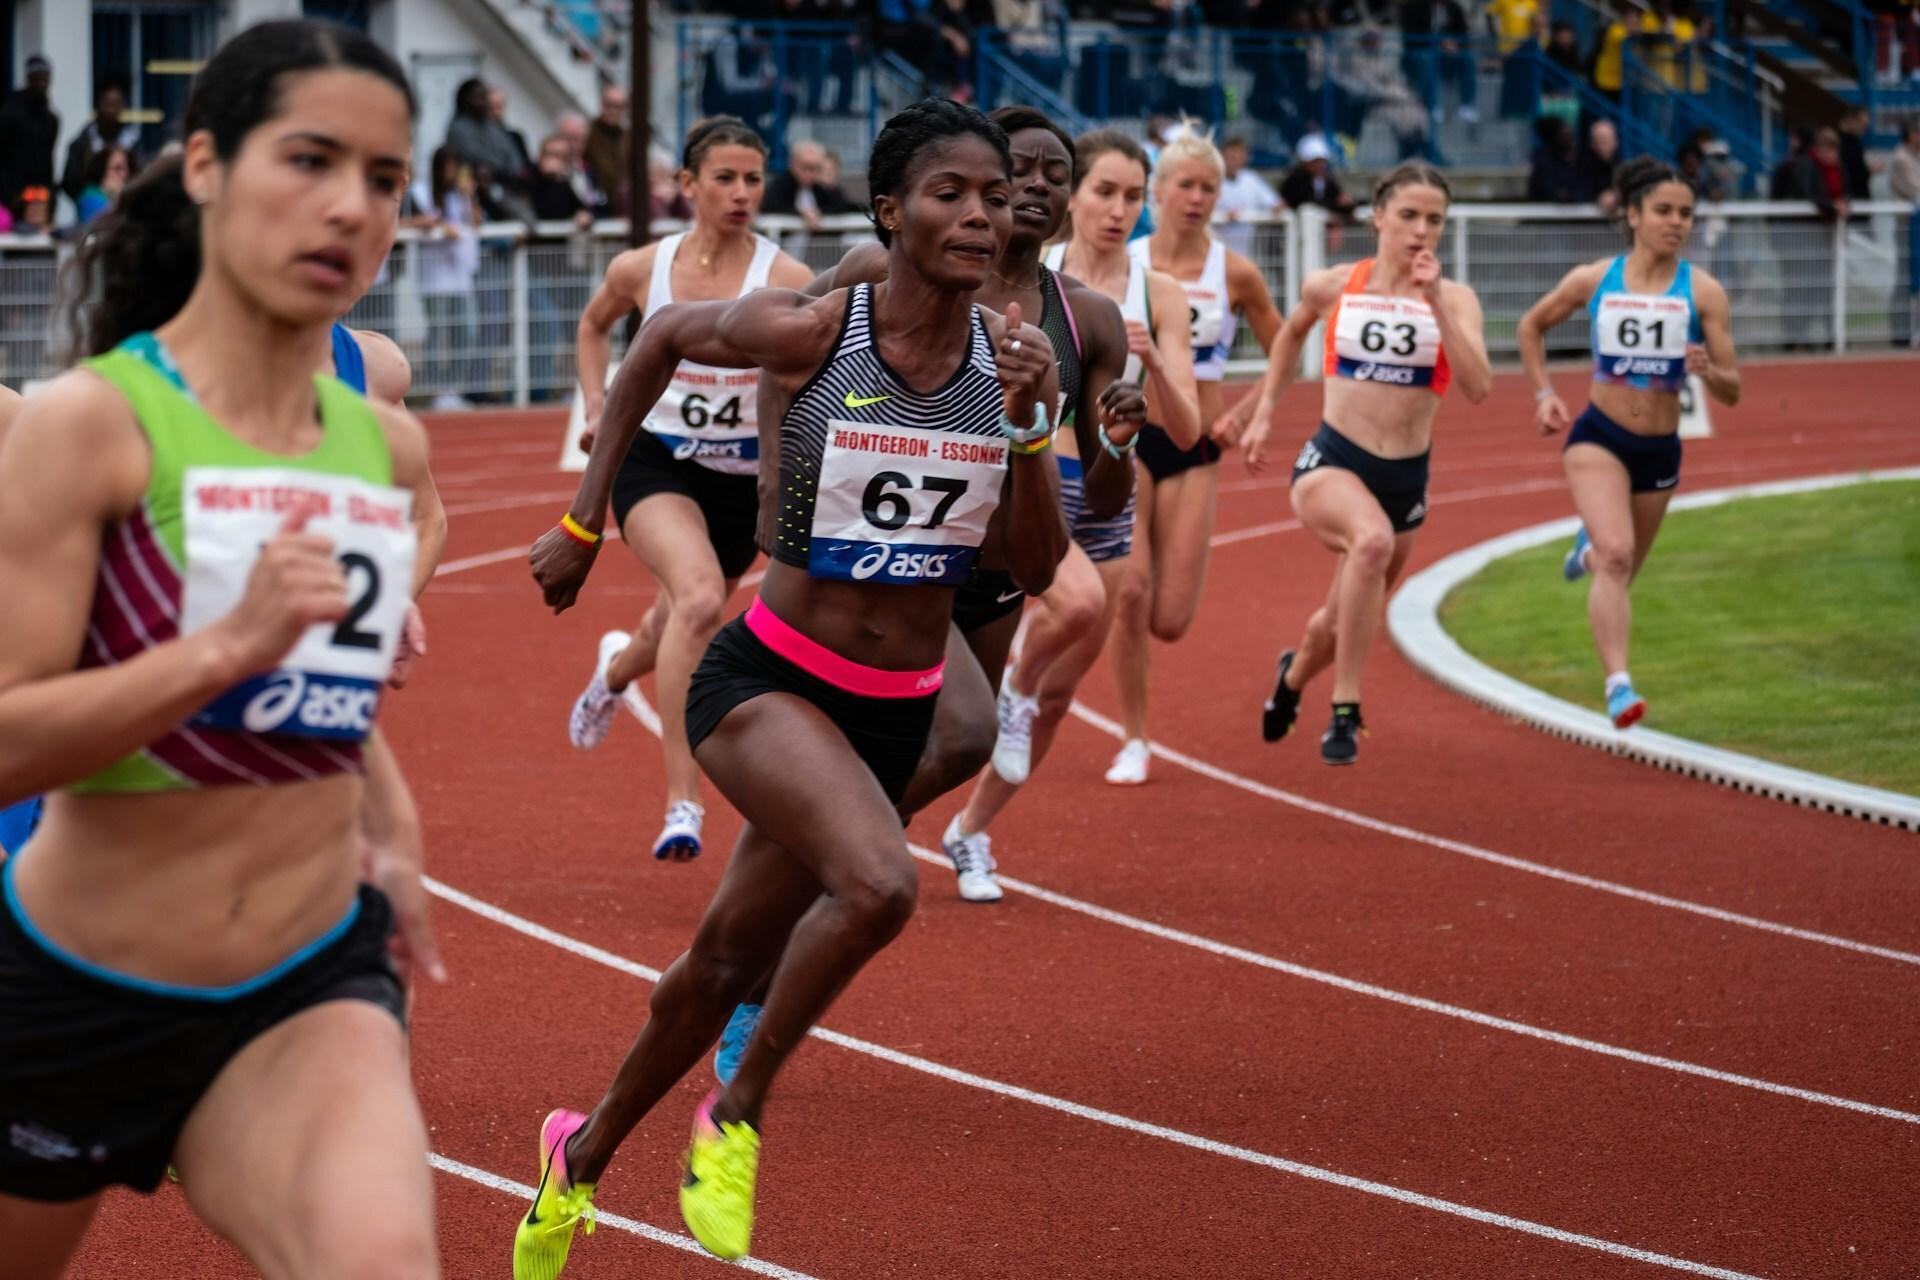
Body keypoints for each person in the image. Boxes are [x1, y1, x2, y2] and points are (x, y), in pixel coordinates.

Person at [516, 97, 1064, 1271]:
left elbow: (1036, 565)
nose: (981, 213)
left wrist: (1030, 432)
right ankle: (739, 1109)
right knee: (877, 885)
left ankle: (580, 1153)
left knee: (717, 962)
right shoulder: (819, 330)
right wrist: (581, 517)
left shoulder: (1014, 365)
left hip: (896, 700)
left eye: (993, 195)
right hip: (766, 677)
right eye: (949, 193)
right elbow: (657, 342)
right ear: (890, 211)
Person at [0, 19, 443, 1277]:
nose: (349, 207)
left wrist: (395, 834)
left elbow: (324, 695)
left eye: (383, 178)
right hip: (75, 986)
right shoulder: (92, 429)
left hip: (306, 981)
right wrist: (224, 647)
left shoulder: (381, 445)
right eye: (308, 160)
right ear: (205, 167)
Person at [944, 127, 1197, 884]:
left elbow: (1187, 431)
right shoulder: (1030, 269)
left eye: (1133, 197)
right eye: (1104, 192)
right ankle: (1006, 692)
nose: (1118, 211)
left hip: (1110, 492)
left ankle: (970, 831)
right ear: (1071, 197)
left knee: (1056, 698)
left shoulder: (1161, 293)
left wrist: (1150, 362)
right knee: (1074, 608)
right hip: (1035, 485)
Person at [564, 117, 812, 862]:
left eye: (754, 179)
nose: (742, 194)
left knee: (673, 619)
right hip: (658, 463)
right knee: (701, 598)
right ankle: (683, 802)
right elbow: (592, 325)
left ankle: (614, 672)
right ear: (688, 185)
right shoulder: (645, 266)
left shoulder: (788, 280)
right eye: (726, 179)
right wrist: (598, 403)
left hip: (744, 483)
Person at [1239, 163, 1492, 764]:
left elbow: (1479, 387)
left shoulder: (1455, 299)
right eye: (1408, 216)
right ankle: (1346, 710)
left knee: (1335, 622)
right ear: (1378, 217)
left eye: (1434, 220)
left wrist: (1435, 303)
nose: (1420, 232)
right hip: (1333, 459)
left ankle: (1293, 679)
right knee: (1371, 544)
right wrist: (1264, 410)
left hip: (1405, 478)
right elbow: (1291, 332)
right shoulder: (1334, 285)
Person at [1517, 157, 1740, 728]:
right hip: (1599, 436)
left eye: (1686, 213)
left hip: (1660, 451)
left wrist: (1708, 373)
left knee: (1619, 568)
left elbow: (1733, 388)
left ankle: (1582, 553)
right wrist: (1544, 393)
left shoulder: (1704, 292)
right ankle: (1619, 686)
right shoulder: (1595, 280)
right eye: (1664, 211)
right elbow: (1530, 325)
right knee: (1617, 557)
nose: (1677, 223)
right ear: (1634, 215)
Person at [1111, 125, 1283, 784]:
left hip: (1200, 441)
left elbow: (1288, 346)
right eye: (1184, 184)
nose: (1197, 197)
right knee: (1130, 594)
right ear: (1156, 191)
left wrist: (1249, 411)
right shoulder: (1127, 261)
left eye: (1209, 187)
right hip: (1130, 439)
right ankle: (1134, 737)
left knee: (1171, 618)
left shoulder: (1233, 271)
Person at [60, 78, 144, 209]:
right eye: (108, 104)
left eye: (116, 104)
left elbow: (140, 174)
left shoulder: (132, 139)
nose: (112, 110)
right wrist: (88, 197)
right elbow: (70, 181)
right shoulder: (84, 141)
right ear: (98, 105)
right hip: (92, 205)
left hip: (125, 205)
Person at [0, 55, 58, 219]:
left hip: (39, 194)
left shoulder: (50, 119)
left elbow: (47, 160)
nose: (42, 83)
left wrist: (49, 194)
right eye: (37, 78)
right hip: (11, 193)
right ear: (28, 79)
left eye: (45, 79)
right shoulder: (10, 112)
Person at [761, 138, 856, 229]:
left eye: (816, 168)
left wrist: (819, 212)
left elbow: (840, 206)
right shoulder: (781, 185)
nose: (810, 173)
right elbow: (769, 206)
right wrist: (801, 213)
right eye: (806, 167)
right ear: (793, 164)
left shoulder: (819, 187)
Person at [1214, 135, 1281, 258]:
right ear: (1222, 157)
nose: (1234, 160)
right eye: (1231, 156)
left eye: (1238, 156)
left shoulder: (1251, 180)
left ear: (1245, 157)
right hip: (1215, 251)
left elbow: (1275, 203)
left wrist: (1277, 207)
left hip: (1246, 253)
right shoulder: (1213, 180)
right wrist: (1224, 216)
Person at [1889, 118, 1920, 348]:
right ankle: (1900, 332)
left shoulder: (1914, 156)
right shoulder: (1901, 157)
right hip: (1906, 227)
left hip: (1915, 226)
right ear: (1911, 134)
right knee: (1904, 279)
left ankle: (1912, 331)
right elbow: (1914, 189)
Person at [1280, 133, 1359, 219]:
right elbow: (1307, 202)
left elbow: (1338, 197)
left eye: (1321, 161)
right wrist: (1336, 204)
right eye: (1315, 161)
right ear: (1304, 161)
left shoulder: (1326, 179)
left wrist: (1346, 203)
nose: (1319, 165)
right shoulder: (1295, 181)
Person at [585, 85, 629, 213]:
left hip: (622, 205)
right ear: (602, 105)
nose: (613, 111)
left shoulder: (628, 137)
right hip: (596, 204)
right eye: (609, 105)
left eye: (618, 106)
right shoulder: (589, 133)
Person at [73, 145, 133, 224]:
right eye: (117, 168)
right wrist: (117, 197)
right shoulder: (90, 197)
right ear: (102, 169)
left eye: (126, 168)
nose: (124, 174)